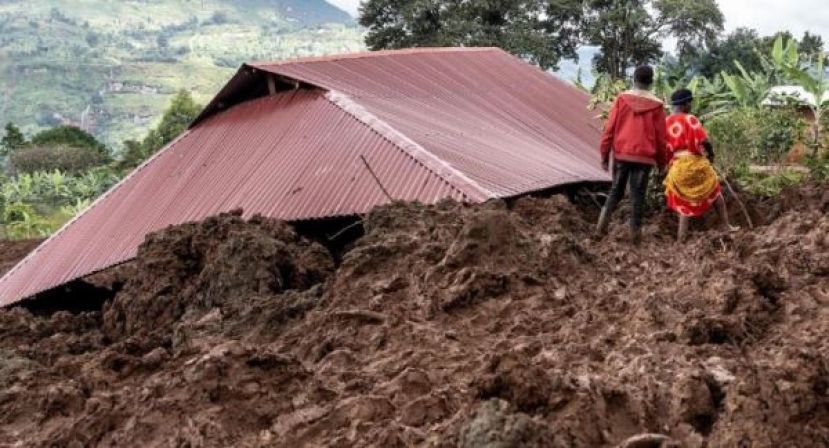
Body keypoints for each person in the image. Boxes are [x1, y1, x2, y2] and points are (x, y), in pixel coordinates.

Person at [596, 66, 668, 244]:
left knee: (615, 191)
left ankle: (600, 229)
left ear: (634, 79)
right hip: (645, 158)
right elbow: (661, 138)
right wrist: (662, 163)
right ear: (651, 82)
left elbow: (609, 129)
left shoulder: (622, 99)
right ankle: (635, 238)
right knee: (638, 196)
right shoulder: (657, 105)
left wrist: (604, 155)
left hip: (622, 154)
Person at [663, 88, 738, 242]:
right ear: (685, 104)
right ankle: (726, 226)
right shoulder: (690, 119)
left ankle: (681, 238)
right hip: (696, 164)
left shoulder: (666, 122)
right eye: (690, 102)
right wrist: (711, 156)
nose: (691, 105)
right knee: (715, 192)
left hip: (678, 168)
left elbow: (665, 149)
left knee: (684, 204)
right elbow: (704, 141)